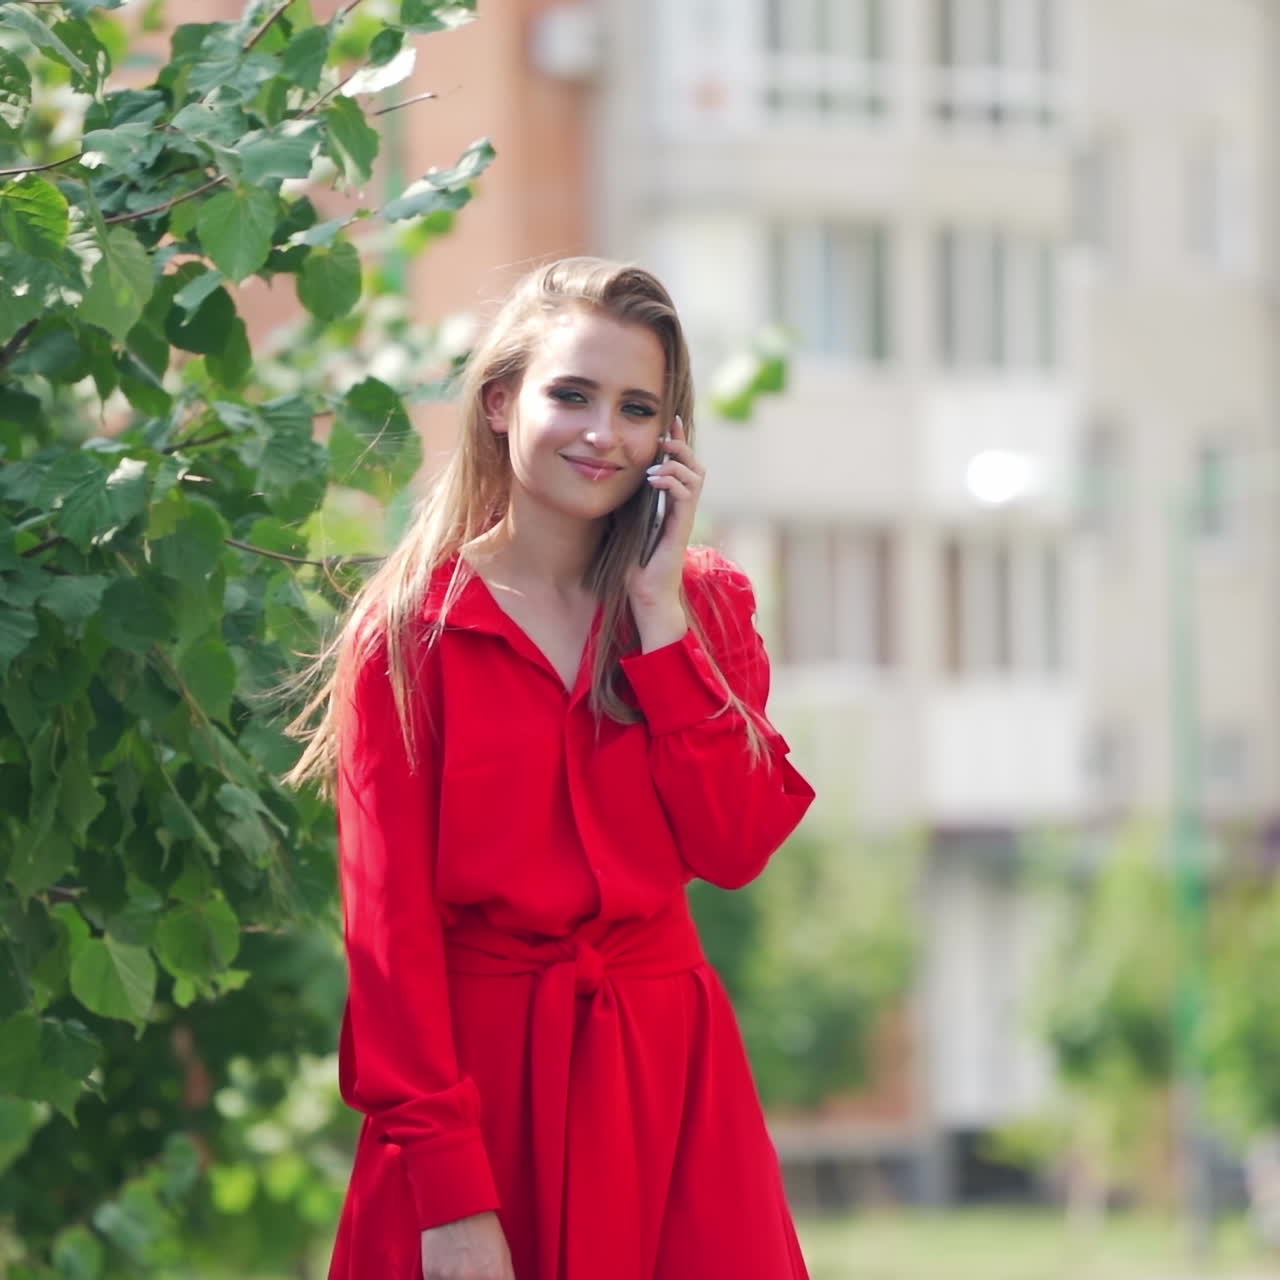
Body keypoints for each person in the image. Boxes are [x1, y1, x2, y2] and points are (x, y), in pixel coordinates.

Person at [287, 257, 816, 1279]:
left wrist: (660, 622)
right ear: (499, 401)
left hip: (670, 1083)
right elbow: (388, 944)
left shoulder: (701, 607)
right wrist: (449, 1195)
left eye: (635, 407)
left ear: (668, 437)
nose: (600, 433)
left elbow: (735, 843)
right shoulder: (408, 637)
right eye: (569, 393)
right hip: (480, 1093)